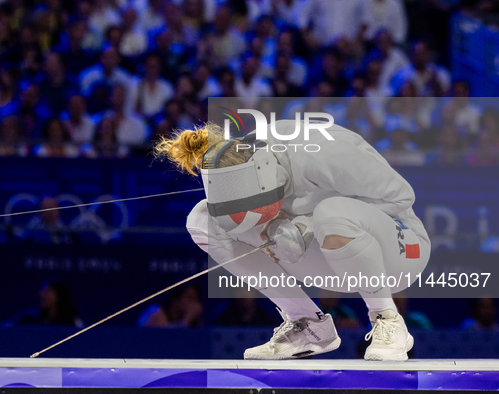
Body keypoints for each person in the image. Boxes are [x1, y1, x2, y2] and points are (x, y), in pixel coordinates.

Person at [154, 118, 431, 361]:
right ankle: (307, 325)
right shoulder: (243, 162)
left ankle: (388, 320)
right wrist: (277, 224)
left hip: (399, 250)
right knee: (202, 219)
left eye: (258, 211)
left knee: (331, 214)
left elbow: (400, 197)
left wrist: (303, 224)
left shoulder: (326, 153)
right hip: (330, 261)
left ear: (266, 178)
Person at [3, 280, 83, 327]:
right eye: (42, 291)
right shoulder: (29, 318)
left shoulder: (74, 323)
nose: (42, 295)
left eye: (47, 291)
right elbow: (3, 328)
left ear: (59, 295)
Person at [137, 284, 203, 328]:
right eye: (189, 297)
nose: (193, 302)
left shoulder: (188, 318)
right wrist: (187, 320)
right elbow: (168, 341)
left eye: (195, 298)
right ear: (176, 298)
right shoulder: (156, 312)